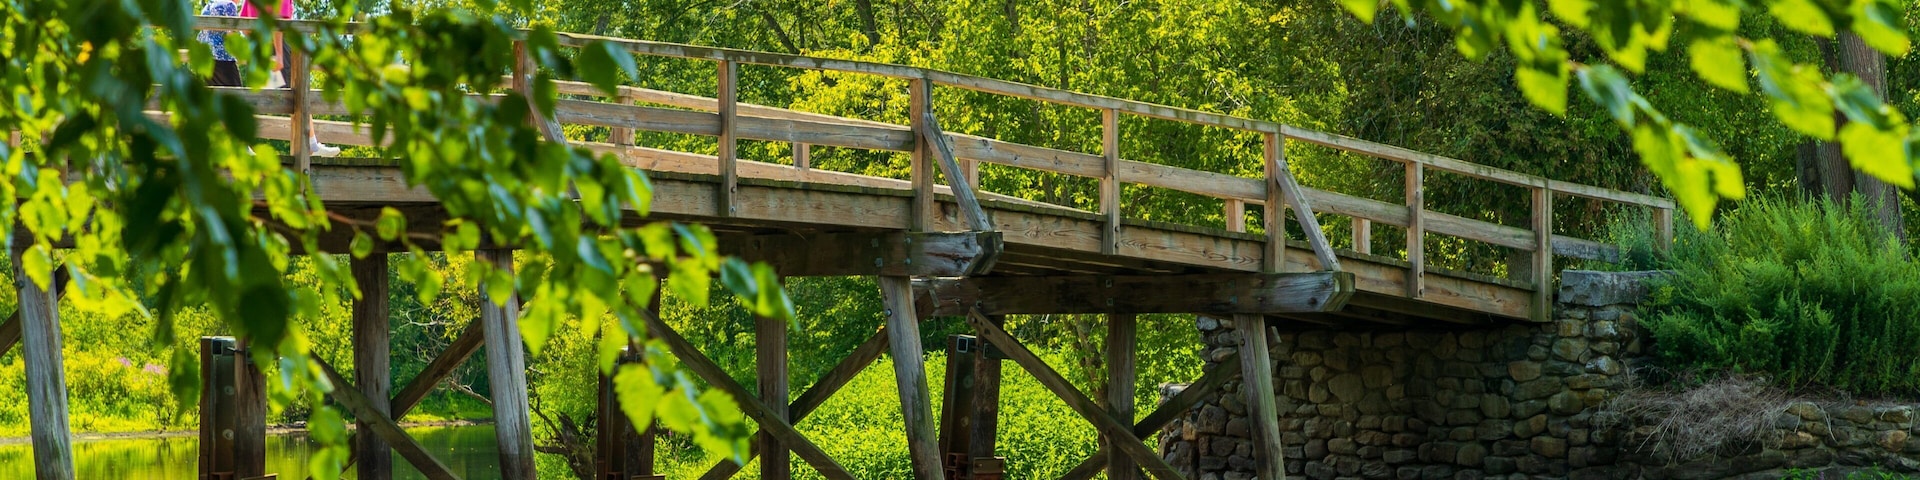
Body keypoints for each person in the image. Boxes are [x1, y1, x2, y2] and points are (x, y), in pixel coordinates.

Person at [241, 0, 340, 157]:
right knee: (298, 91)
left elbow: (245, 24)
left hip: (261, 47)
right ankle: (312, 144)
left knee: (259, 95)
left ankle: (242, 143)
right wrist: (279, 54)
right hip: (277, 46)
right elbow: (279, 21)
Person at [196, 0, 244, 87]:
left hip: (206, 58)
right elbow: (231, 34)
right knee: (237, 95)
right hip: (223, 59)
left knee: (216, 96)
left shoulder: (209, 5)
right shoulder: (230, 5)